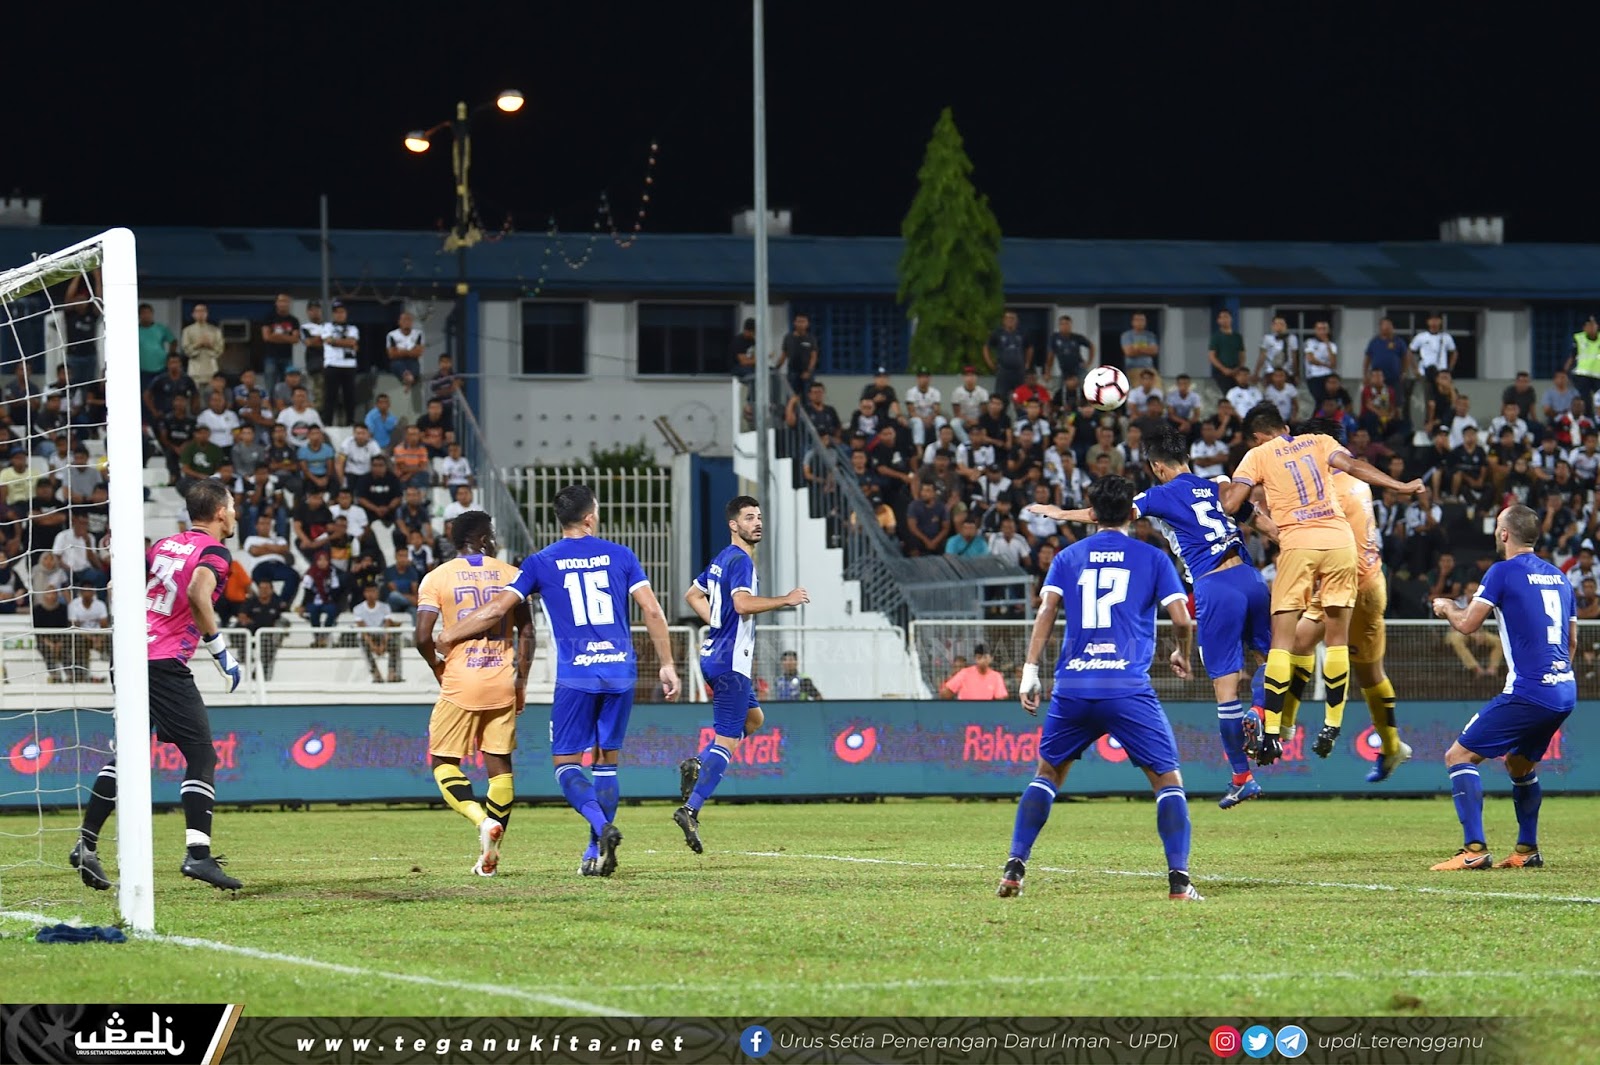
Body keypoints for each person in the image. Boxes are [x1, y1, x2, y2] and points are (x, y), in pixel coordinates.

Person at [437, 486, 682, 878]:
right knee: (606, 763)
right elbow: (652, 610)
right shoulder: (622, 555)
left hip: (577, 675)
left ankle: (602, 828)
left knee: (566, 765)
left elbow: (497, 610)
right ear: (590, 517)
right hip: (620, 671)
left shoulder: (541, 562)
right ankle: (593, 851)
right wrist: (667, 664)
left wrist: (451, 633)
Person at [1029, 425, 1273, 808]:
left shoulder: (1160, 494)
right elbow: (1258, 519)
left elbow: (1109, 513)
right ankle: (1261, 711)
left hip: (1214, 586)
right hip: (1251, 578)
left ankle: (1242, 777)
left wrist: (1058, 513)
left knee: (1226, 692)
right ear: (1186, 457)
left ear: (1158, 467)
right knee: (1270, 660)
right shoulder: (1218, 486)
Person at [998, 475, 1199, 901]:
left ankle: (1015, 866)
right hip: (1126, 687)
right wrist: (1182, 652)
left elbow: (1046, 612)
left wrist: (1030, 670)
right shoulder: (1153, 558)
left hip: (1074, 685)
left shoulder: (1067, 556)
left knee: (1047, 775)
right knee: (1167, 781)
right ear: (1132, 514)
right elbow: (1183, 620)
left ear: (1091, 514)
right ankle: (1179, 881)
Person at [1220, 403, 1423, 763]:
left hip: (1317, 555)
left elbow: (1239, 503)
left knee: (1286, 642)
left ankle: (1277, 728)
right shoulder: (1345, 474)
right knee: (1360, 664)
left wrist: (1230, 496)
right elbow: (1354, 467)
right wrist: (1402, 485)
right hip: (1364, 572)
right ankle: (1372, 738)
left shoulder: (1288, 466)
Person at [70, 480, 245, 894]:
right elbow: (198, 592)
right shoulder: (215, 552)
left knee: (130, 754)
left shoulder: (165, 545)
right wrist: (221, 652)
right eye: (233, 506)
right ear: (221, 512)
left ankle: (86, 844)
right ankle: (198, 855)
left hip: (129, 654)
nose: (236, 513)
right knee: (201, 754)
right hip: (163, 662)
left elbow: (116, 587)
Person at [1430, 504, 1575, 870]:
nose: (1497, 531)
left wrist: (1447, 607)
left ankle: (1473, 850)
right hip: (1564, 690)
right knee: (1519, 763)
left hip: (1530, 691)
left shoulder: (1502, 571)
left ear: (1505, 533)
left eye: (1498, 525)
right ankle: (1527, 851)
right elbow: (1571, 642)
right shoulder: (1560, 577)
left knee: (1459, 757)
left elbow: (1467, 625)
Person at [673, 496, 807, 855]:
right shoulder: (741, 561)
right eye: (749, 518)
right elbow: (743, 603)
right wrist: (786, 599)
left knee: (755, 719)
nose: (757, 523)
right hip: (731, 662)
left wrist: (716, 622)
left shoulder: (722, 558)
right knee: (728, 740)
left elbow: (692, 594)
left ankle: (697, 763)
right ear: (734, 525)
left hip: (716, 656)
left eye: (759, 517)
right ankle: (690, 809)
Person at [1288, 419, 1412, 783]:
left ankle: (1292, 725)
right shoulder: (1357, 481)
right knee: (1360, 668)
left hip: (1347, 582)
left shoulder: (1327, 489)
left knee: (1306, 644)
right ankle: (1391, 746)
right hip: (1366, 579)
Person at [410, 511, 532, 876]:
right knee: (500, 769)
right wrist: (521, 681)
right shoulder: (512, 574)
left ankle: (481, 821)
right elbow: (527, 632)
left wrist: (437, 666)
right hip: (501, 679)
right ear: (480, 538)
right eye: (491, 534)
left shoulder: (437, 577)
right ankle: (489, 859)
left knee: (443, 762)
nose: (494, 540)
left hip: (461, 680)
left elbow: (422, 636)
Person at [939, 644, 1008, 700]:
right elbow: (945, 694)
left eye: (985, 657)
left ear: (991, 659)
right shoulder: (964, 673)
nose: (982, 660)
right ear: (975, 658)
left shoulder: (996, 676)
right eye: (979, 657)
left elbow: (1001, 700)